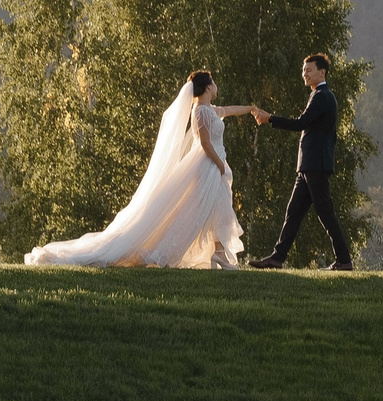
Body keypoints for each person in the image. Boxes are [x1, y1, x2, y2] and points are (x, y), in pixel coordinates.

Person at [25, 71, 254, 268]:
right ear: (206, 87)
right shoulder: (200, 112)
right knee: (206, 209)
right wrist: (220, 164)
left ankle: (219, 253)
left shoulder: (211, 110)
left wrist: (252, 109)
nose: (216, 85)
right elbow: (204, 144)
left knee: (219, 207)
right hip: (207, 164)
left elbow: (230, 110)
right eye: (213, 82)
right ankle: (215, 253)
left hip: (213, 164)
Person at [247, 53, 352, 270]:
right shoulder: (319, 95)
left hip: (315, 164)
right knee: (293, 212)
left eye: (309, 70)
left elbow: (301, 123)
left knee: (325, 212)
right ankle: (277, 258)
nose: (304, 73)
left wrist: (270, 118)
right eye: (303, 70)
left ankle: (344, 261)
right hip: (309, 165)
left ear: (322, 72)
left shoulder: (323, 96)